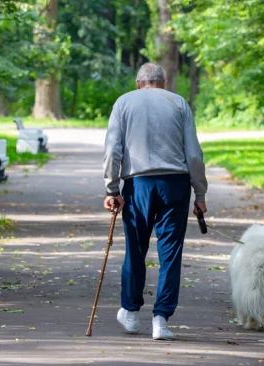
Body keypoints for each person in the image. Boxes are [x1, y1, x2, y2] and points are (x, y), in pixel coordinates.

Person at [103, 62, 208, 340]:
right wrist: (200, 194)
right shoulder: (179, 104)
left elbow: (112, 150)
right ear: (163, 82)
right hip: (175, 185)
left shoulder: (124, 102)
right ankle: (161, 320)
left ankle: (130, 311)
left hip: (138, 185)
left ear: (139, 83)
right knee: (170, 254)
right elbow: (194, 154)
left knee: (135, 250)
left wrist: (112, 189)